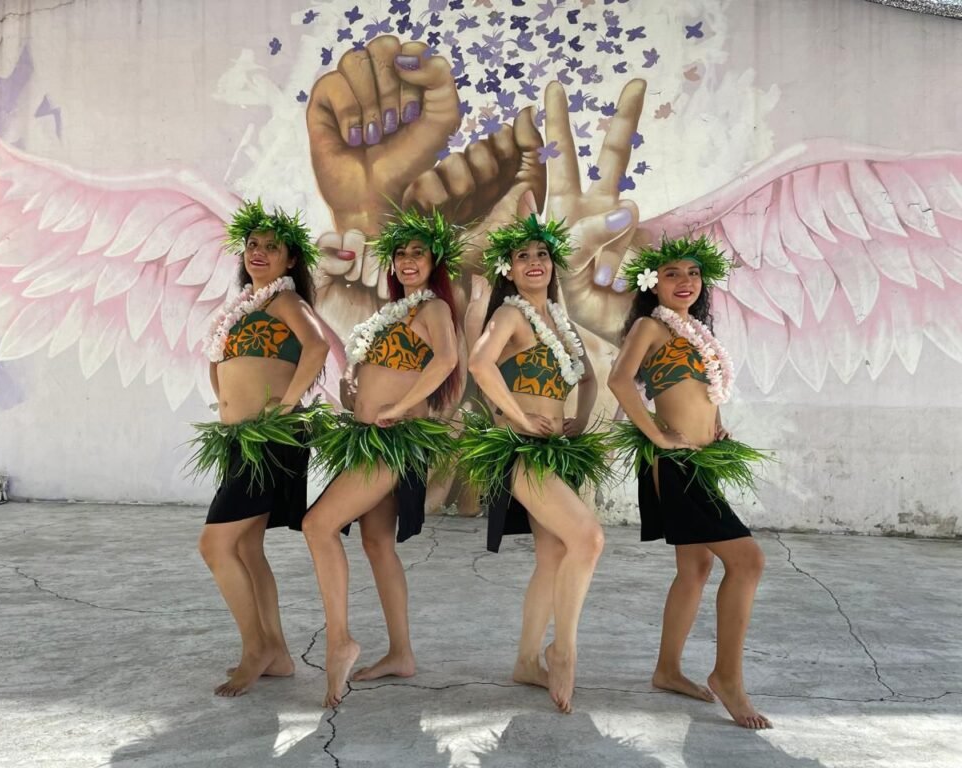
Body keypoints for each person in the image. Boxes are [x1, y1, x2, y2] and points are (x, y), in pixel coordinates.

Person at [608, 234, 773, 729]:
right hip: (676, 465)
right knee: (748, 560)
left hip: (702, 459)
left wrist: (715, 423)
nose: (685, 281)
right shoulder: (650, 326)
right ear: (653, 283)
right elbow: (619, 379)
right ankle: (728, 677)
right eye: (672, 273)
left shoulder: (696, 330)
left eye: (693, 273)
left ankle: (667, 670)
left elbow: (701, 390)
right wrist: (658, 434)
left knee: (696, 567)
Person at [301, 208, 462, 708]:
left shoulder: (433, 308)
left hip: (393, 439)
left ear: (434, 261)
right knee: (376, 543)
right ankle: (401, 653)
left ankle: (339, 641)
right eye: (401, 253)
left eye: (419, 253)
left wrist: (397, 405)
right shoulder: (396, 312)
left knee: (317, 525)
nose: (408, 260)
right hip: (369, 435)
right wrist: (358, 391)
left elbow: (447, 359)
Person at [462, 214, 612, 714]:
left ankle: (527, 661)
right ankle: (562, 650)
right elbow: (479, 364)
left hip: (556, 449)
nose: (534, 262)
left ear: (552, 264)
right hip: (522, 451)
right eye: (522, 256)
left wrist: (579, 420)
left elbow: (587, 378)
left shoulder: (558, 322)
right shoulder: (511, 314)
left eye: (541, 254)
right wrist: (520, 418)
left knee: (553, 556)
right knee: (588, 539)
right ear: (509, 268)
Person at [191, 200, 330, 697]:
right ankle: (278, 653)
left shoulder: (286, 301)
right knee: (246, 547)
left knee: (215, 545)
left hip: (271, 440)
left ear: (290, 259)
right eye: (253, 245)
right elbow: (220, 362)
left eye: (272, 247)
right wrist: (225, 400)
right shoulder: (245, 308)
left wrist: (287, 404)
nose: (259, 252)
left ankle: (255, 648)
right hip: (242, 440)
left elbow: (317, 346)